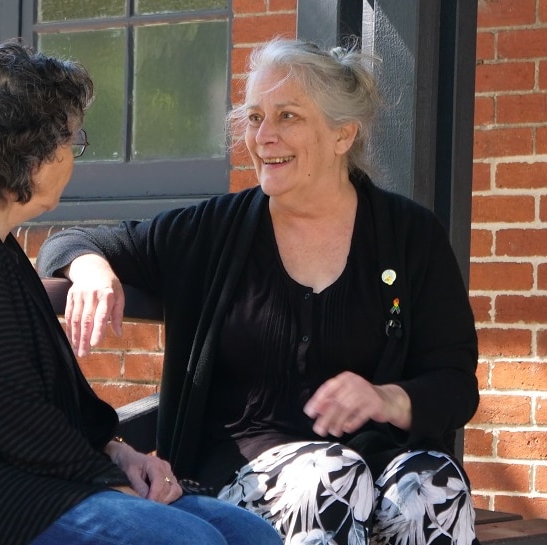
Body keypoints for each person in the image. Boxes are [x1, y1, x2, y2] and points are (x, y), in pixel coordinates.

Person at [37, 38, 481, 545]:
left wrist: (385, 397)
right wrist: (92, 270)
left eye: (287, 116)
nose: (264, 136)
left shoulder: (409, 235)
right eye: (253, 118)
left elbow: (454, 383)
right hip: (238, 480)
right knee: (332, 475)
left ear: (343, 134)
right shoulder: (213, 232)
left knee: (434, 486)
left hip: (379, 465)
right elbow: (74, 239)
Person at [0, 41, 282, 545]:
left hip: (21, 479)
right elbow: (11, 415)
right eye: (70, 140)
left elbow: (52, 400)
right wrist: (114, 482)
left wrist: (121, 452)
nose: (72, 157)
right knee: (189, 541)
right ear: (27, 149)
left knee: (249, 534)